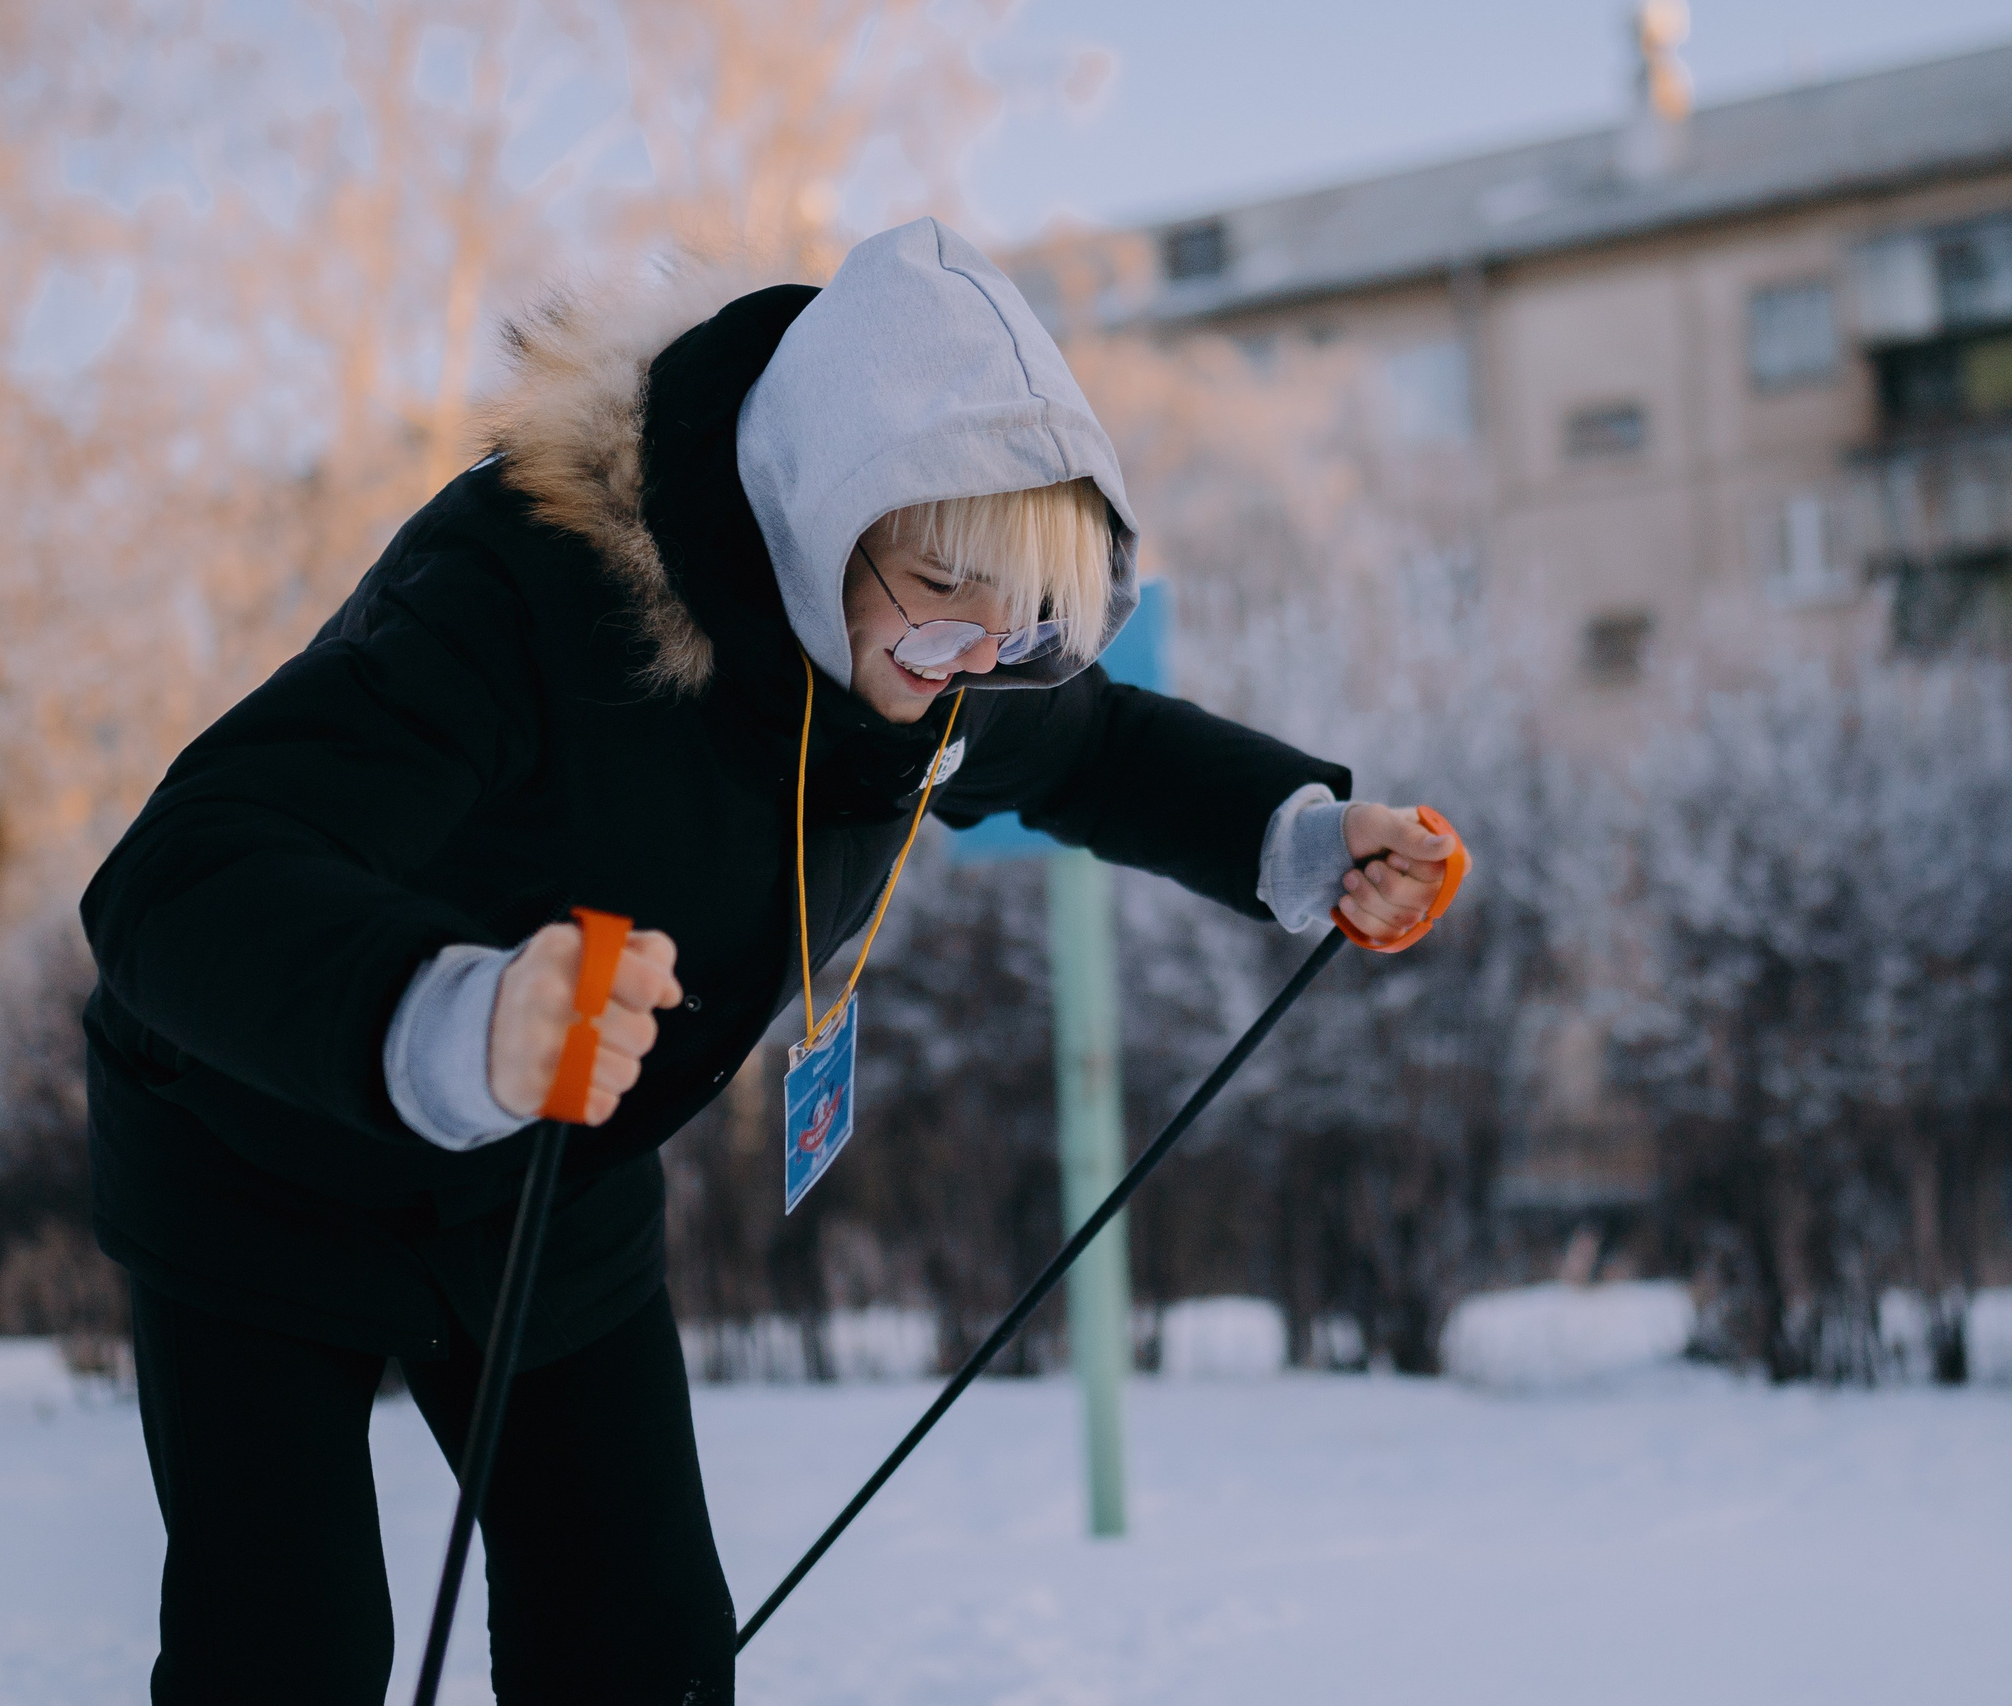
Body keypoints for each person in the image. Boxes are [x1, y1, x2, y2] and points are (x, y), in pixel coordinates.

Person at [79, 218, 1458, 1705]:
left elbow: (1098, 744)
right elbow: (173, 879)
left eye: (1018, 632)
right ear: (823, 509)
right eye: (941, 602)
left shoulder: (943, 662)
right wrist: (456, 1012)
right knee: (291, 1655)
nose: (969, 671)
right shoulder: (521, 588)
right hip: (260, 1157)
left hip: (559, 1191)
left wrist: (1308, 840)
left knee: (646, 1653)